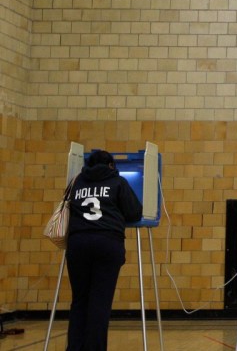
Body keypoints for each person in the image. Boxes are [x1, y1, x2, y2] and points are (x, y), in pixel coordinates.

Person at [66, 149, 143, 351]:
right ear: (111, 165)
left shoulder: (76, 182)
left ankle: (74, 348)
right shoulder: (117, 182)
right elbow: (134, 212)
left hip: (78, 243)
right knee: (99, 302)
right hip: (107, 243)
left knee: (79, 301)